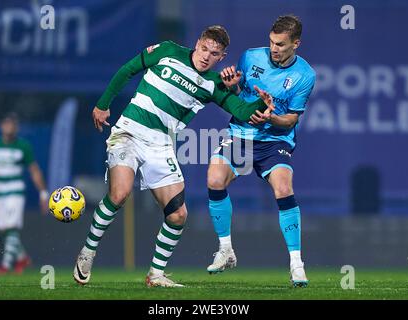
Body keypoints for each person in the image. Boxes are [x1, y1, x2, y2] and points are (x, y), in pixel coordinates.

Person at [72, 25, 275, 288]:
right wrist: (103, 104)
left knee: (178, 215)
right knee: (119, 194)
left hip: (161, 146)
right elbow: (128, 69)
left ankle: (155, 275)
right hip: (129, 133)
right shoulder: (168, 51)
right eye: (204, 48)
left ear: (221, 57)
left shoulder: (214, 84)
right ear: (198, 42)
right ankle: (88, 252)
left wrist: (262, 103)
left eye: (214, 54)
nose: (206, 56)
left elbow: (241, 110)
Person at [206, 15, 316, 287]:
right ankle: (225, 250)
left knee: (283, 188)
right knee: (214, 179)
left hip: (273, 140)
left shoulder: (305, 75)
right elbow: (234, 91)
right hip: (240, 135)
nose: (274, 48)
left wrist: (269, 118)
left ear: (296, 44)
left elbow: (291, 119)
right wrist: (229, 84)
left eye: (280, 44)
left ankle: (296, 264)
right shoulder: (251, 57)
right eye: (271, 42)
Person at [0, 112, 49, 275]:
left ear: (16, 128)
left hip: (16, 191)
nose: (9, 127)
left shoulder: (23, 146)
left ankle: (6, 265)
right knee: (4, 229)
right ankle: (22, 258)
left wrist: (43, 193)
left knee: (12, 227)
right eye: (6, 124)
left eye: (12, 124)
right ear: (1, 126)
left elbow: (34, 170)